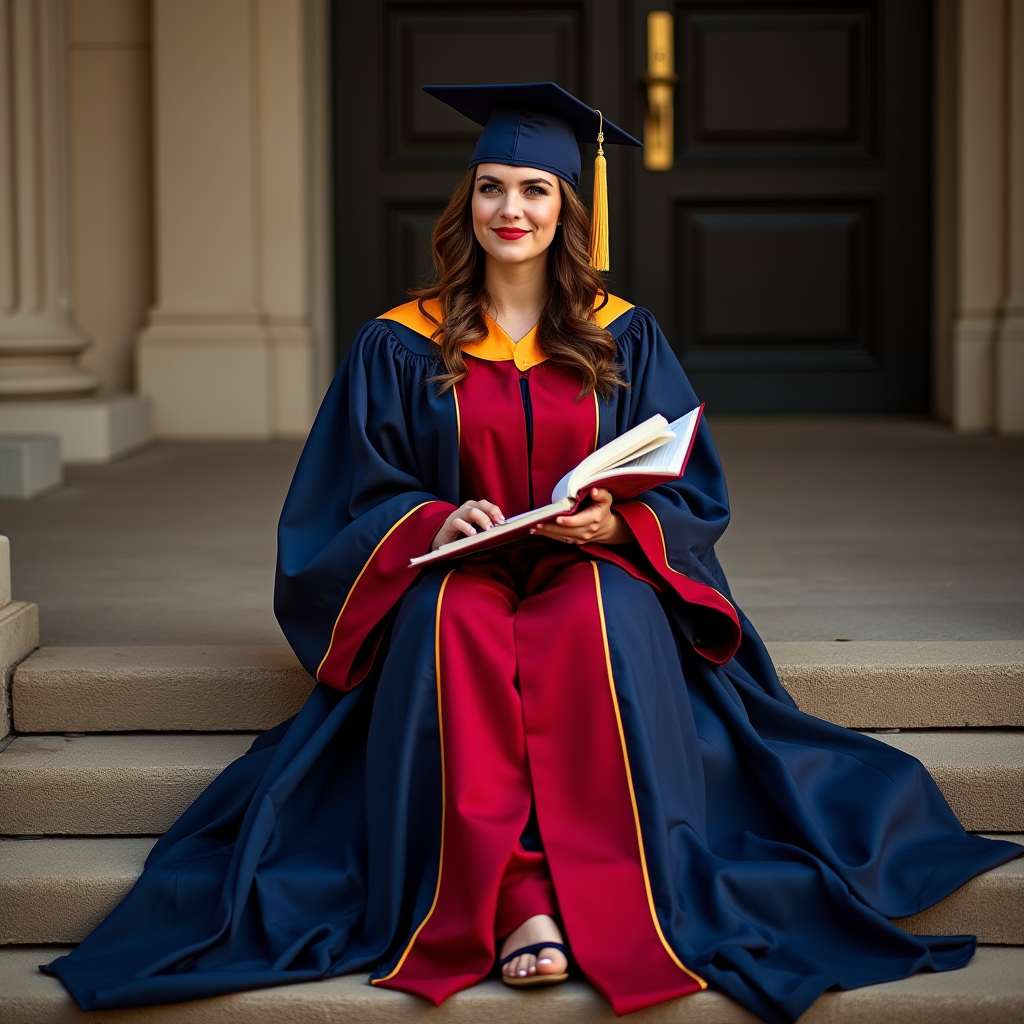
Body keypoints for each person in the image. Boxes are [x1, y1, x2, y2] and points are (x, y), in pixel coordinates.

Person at [43, 83, 1021, 1024]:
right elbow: (345, 494)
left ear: (567, 207)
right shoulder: (399, 342)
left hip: (593, 561)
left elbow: (689, 486)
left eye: (535, 188)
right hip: (454, 567)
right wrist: (432, 522)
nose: (510, 208)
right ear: (466, 200)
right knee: (452, 618)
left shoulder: (623, 336)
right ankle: (512, 901)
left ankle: (600, 892)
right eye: (492, 186)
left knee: (594, 614)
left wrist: (616, 525)